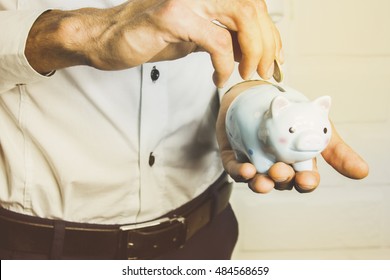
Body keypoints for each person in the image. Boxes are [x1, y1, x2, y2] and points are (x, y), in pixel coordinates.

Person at [0, 0, 368, 260]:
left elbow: (253, 29)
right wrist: (75, 34)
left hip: (203, 238)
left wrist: (246, 93)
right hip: (34, 252)